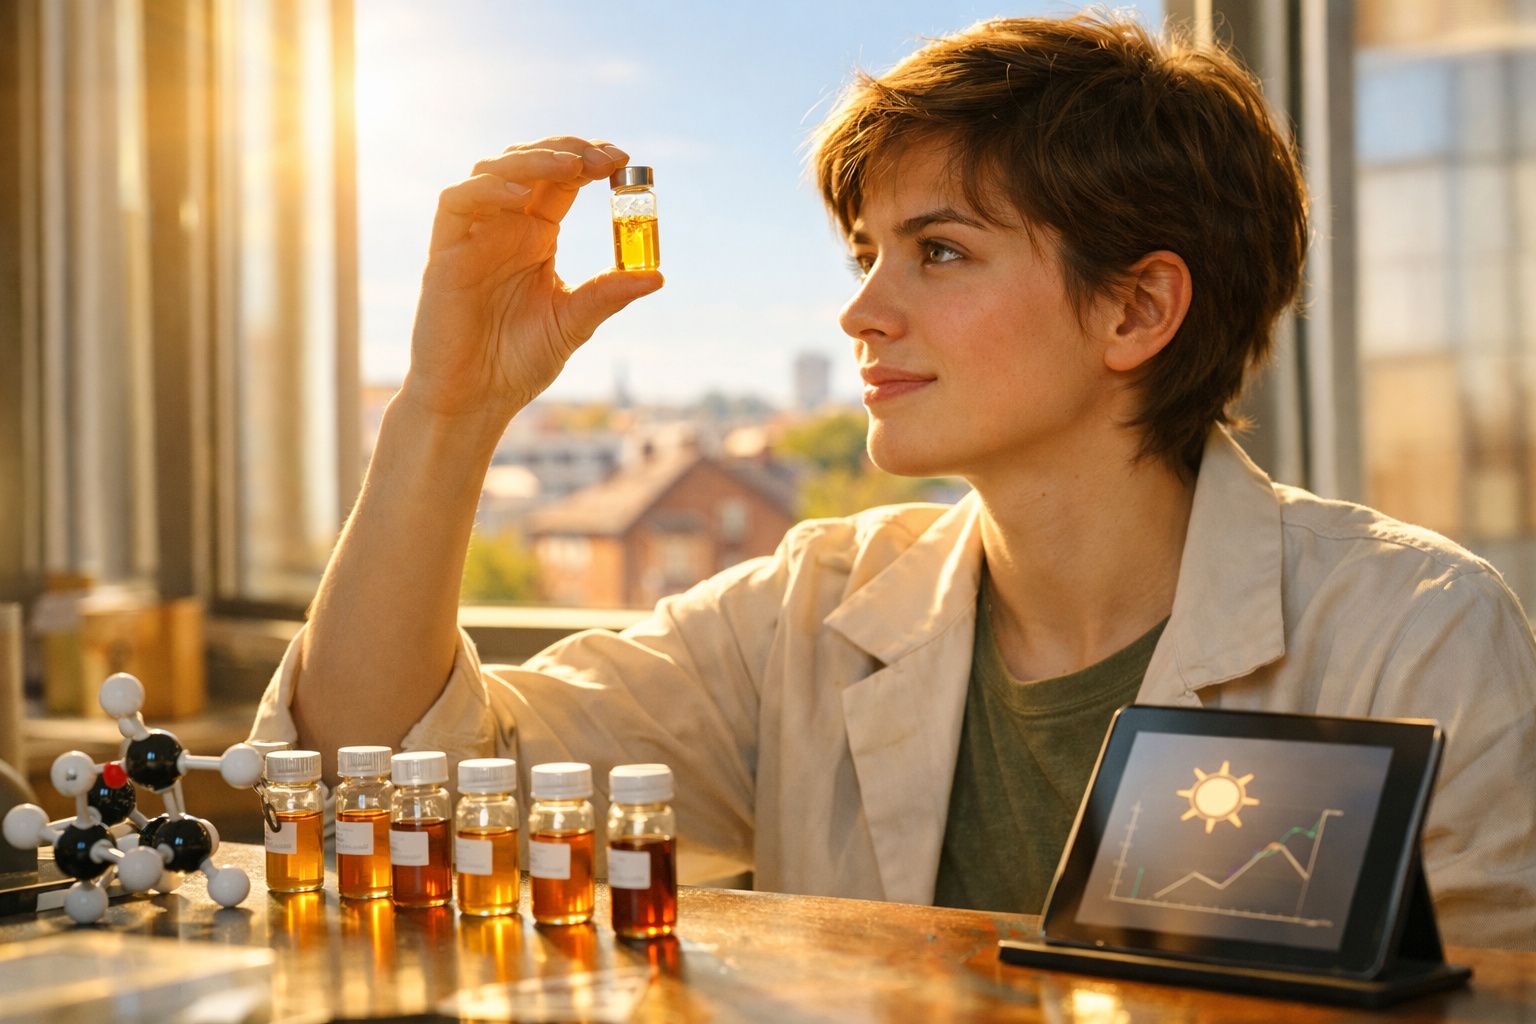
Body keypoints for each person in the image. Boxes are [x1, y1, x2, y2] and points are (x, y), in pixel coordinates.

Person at [251, 12, 1536, 949]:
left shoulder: (1413, 635)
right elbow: (378, 772)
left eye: (938, 251)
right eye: (869, 251)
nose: (863, 310)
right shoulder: (804, 615)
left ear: (1137, 307)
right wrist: (447, 409)